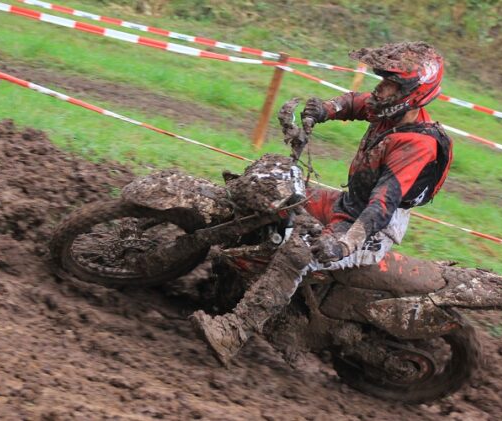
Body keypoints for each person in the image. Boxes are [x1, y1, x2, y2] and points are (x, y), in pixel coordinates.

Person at [191, 41, 455, 367]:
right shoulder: (390, 109)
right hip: (350, 203)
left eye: (391, 84)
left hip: (371, 225)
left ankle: (234, 331)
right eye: (383, 80)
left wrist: (343, 243)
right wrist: (325, 109)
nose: (380, 88)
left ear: (413, 93)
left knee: (298, 254)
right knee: (276, 195)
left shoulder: (416, 143)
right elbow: (356, 102)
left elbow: (382, 205)